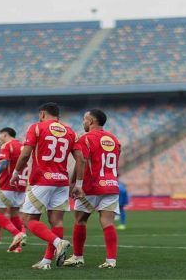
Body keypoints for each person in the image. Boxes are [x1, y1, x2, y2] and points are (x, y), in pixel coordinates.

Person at [10, 102, 85, 270]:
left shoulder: (37, 127)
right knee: (56, 222)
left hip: (42, 180)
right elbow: (81, 159)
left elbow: (25, 154)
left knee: (28, 221)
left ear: (42, 113)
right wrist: (78, 184)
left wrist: (16, 172)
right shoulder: (70, 131)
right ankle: (46, 261)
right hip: (62, 181)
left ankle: (59, 242)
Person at [63, 109, 121, 269]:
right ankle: (111, 261)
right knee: (108, 222)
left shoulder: (86, 138)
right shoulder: (114, 139)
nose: (83, 122)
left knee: (80, 220)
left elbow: (80, 161)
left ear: (91, 121)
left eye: (84, 119)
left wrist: (74, 183)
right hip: (110, 185)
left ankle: (78, 257)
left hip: (90, 186)